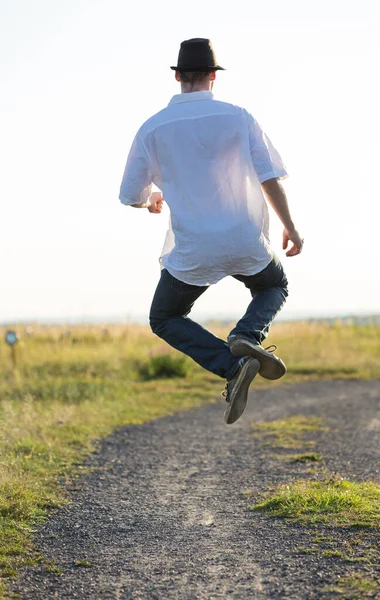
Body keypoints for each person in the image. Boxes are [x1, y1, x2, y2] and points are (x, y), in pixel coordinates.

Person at [119, 38, 303, 425]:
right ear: (213, 78)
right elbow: (269, 178)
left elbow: (129, 195)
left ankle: (231, 365)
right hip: (244, 238)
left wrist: (151, 198)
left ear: (177, 77)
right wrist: (290, 227)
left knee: (165, 317)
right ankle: (248, 335)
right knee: (274, 285)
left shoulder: (152, 127)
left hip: (193, 248)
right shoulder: (239, 117)